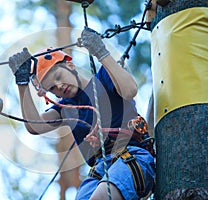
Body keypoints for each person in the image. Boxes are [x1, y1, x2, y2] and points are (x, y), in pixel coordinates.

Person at [8, 28, 155, 200]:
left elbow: (130, 90)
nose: (59, 86)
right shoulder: (65, 108)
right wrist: (22, 83)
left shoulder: (104, 79)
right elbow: (34, 126)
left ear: (70, 65)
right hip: (99, 172)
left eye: (58, 76)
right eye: (52, 88)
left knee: (99, 197)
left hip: (132, 158)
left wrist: (101, 52)